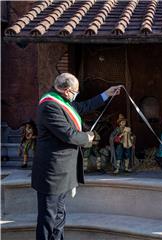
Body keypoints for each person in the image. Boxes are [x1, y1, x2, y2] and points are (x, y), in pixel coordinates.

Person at [31, 73, 122, 240]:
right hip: (52, 174)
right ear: (67, 91)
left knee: (59, 216)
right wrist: (87, 137)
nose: (76, 95)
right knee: (48, 219)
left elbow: (83, 107)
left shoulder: (63, 100)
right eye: (76, 92)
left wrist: (106, 94)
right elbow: (69, 135)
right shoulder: (49, 105)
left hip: (63, 173)